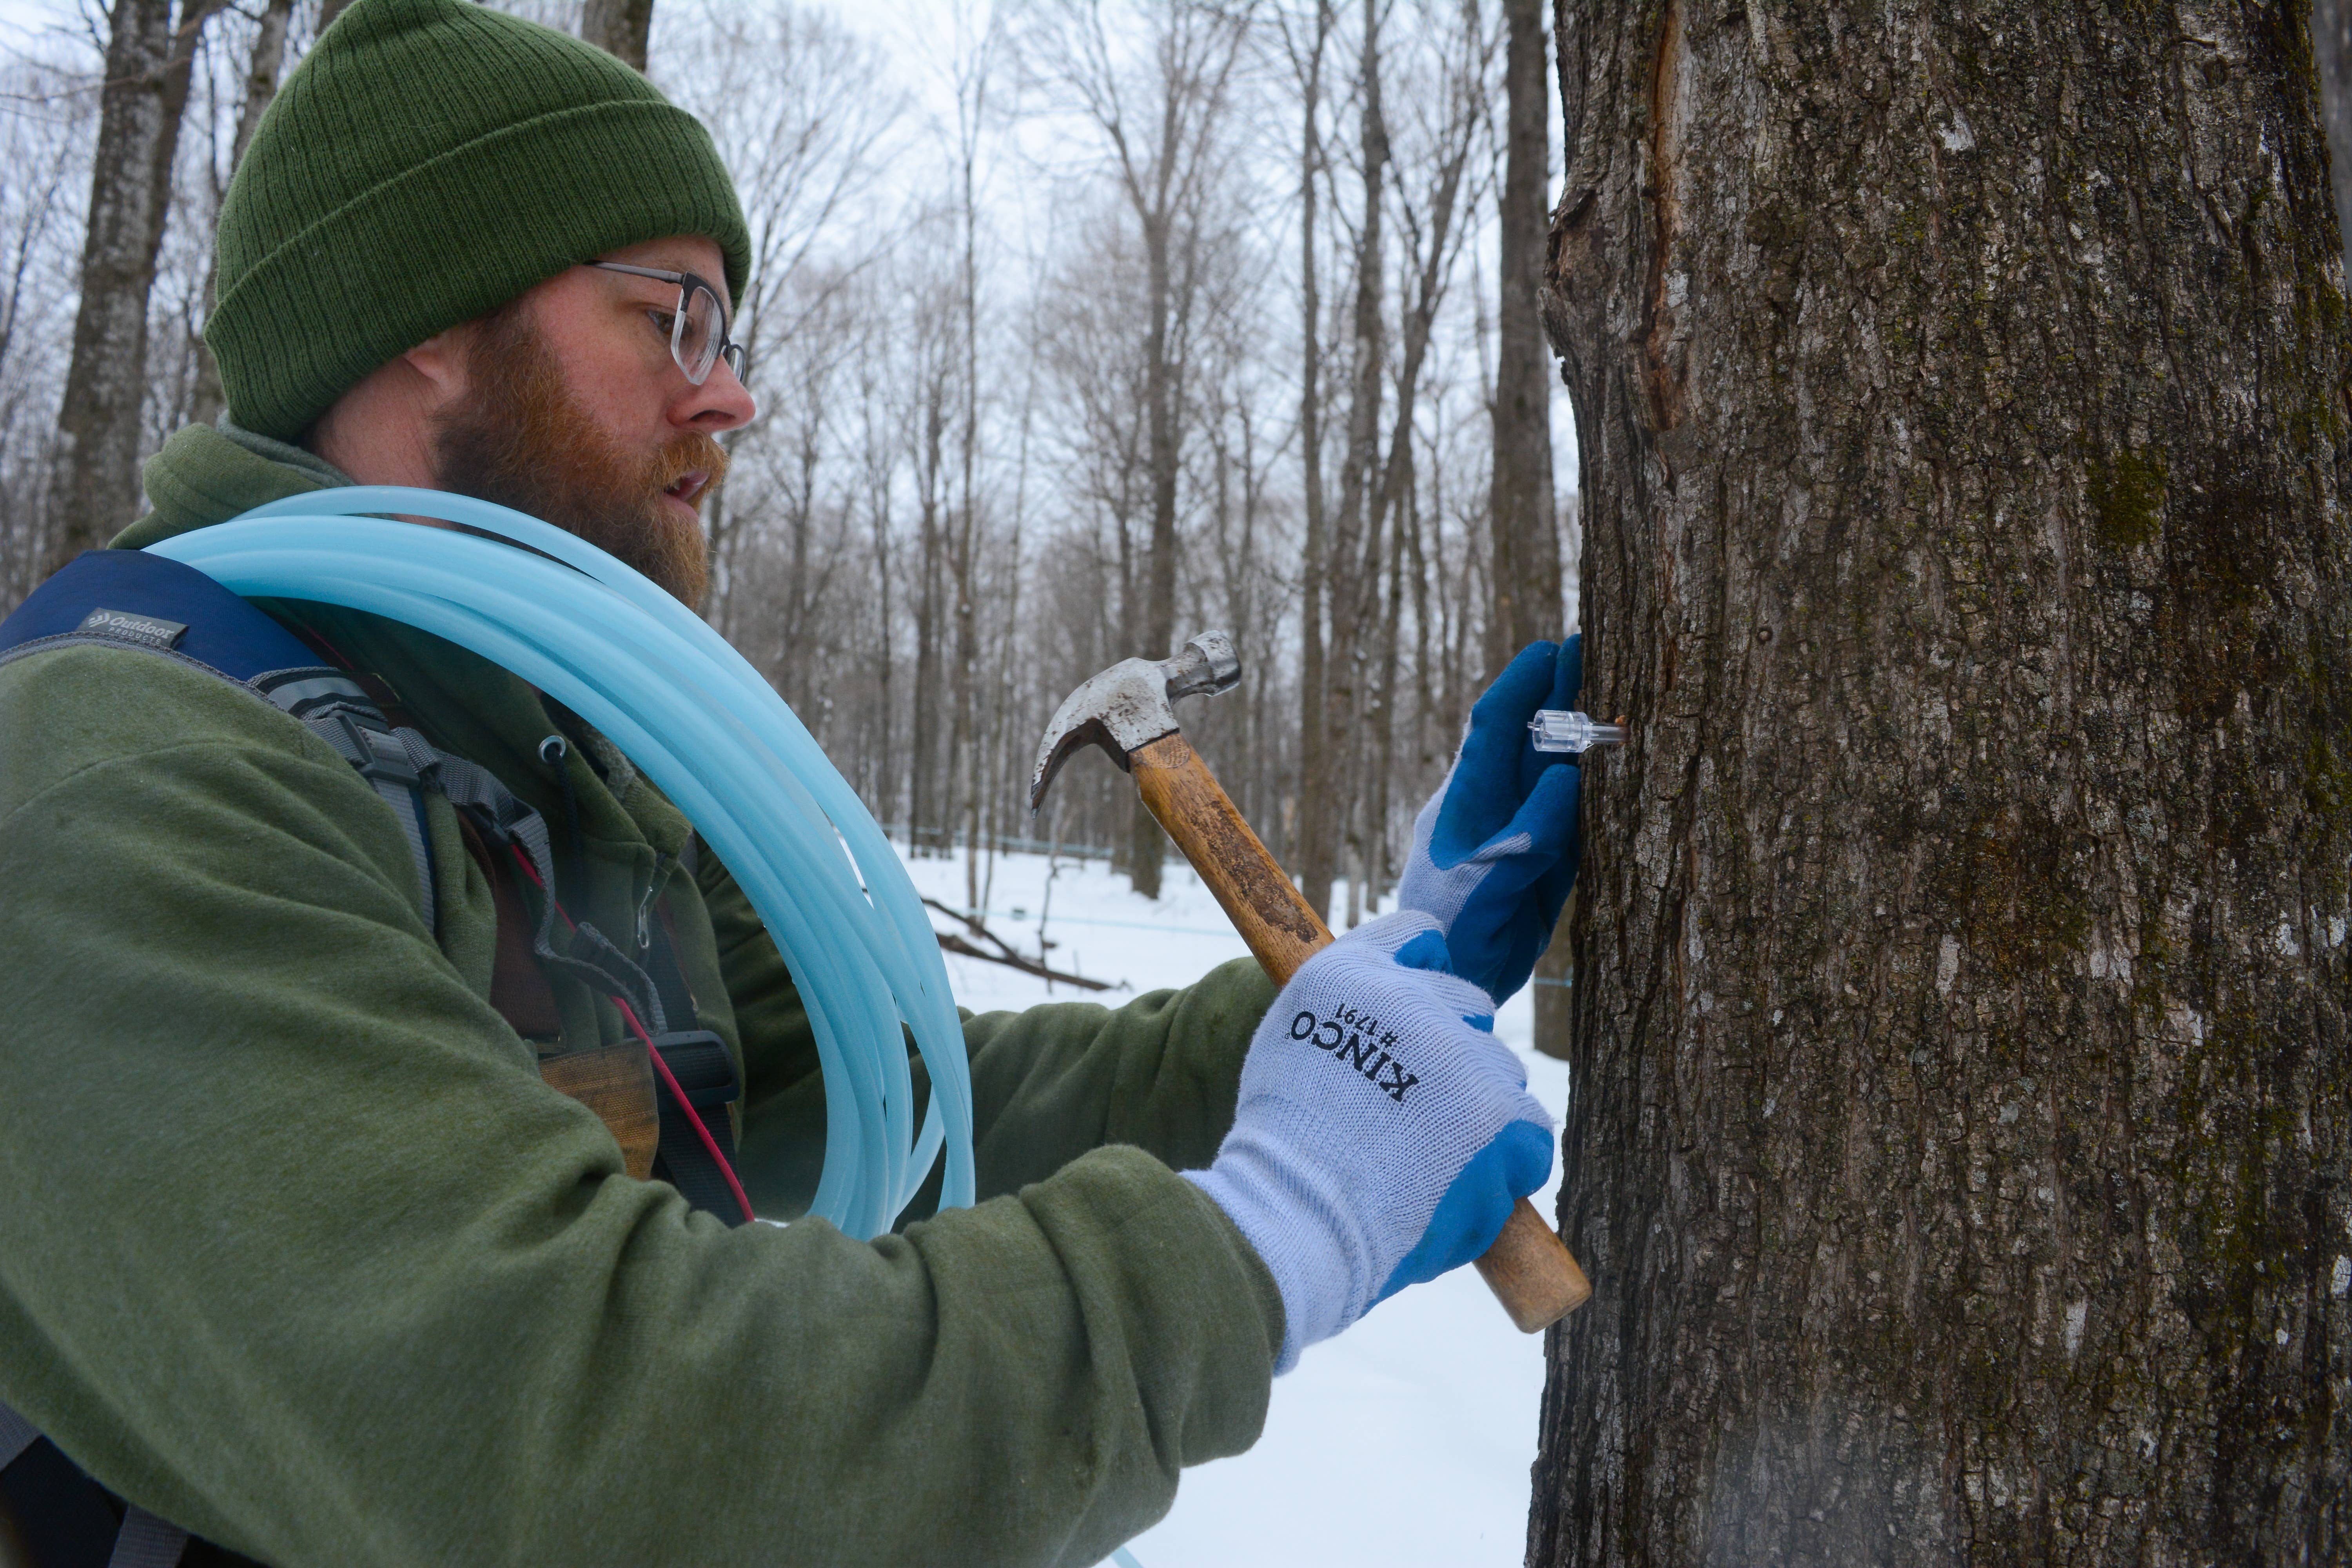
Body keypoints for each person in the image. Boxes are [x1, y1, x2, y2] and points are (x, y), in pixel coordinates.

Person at [0, 3, 1586, 1564]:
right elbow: (593, 1441)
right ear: (422, 323)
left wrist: (1353, 1003)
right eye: (671, 315)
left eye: (730, 333)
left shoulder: (551, 766)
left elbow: (883, 1112)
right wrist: (1269, 1233)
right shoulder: (121, 774)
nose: (732, 394)